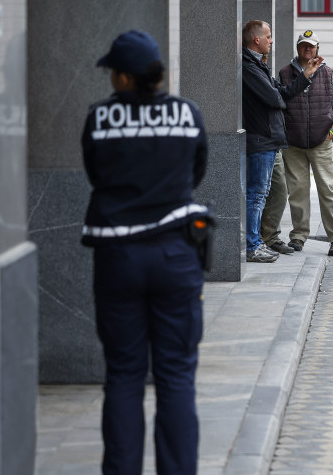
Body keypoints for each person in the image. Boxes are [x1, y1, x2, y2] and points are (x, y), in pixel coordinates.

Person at [81, 30, 209, 474]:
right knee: (175, 377)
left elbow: (95, 172)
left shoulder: (100, 118)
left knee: (123, 375)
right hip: (175, 255)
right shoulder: (187, 114)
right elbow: (196, 171)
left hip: (117, 258)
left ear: (122, 77)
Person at [242, 20, 318, 262]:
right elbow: (275, 99)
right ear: (257, 39)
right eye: (269, 36)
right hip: (261, 139)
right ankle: (253, 246)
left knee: (274, 191)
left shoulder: (260, 65)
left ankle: (264, 239)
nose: (272, 41)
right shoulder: (248, 66)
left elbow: (281, 94)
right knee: (256, 195)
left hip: (272, 140)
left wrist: (305, 77)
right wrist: (279, 96)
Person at [269, 29, 333, 256]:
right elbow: (279, 102)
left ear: (317, 49)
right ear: (298, 48)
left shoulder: (327, 72)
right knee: (297, 191)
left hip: (321, 142)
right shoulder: (285, 73)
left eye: (311, 46)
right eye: (304, 45)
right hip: (293, 144)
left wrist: (332, 132)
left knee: (327, 190)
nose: (307, 49)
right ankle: (298, 236)